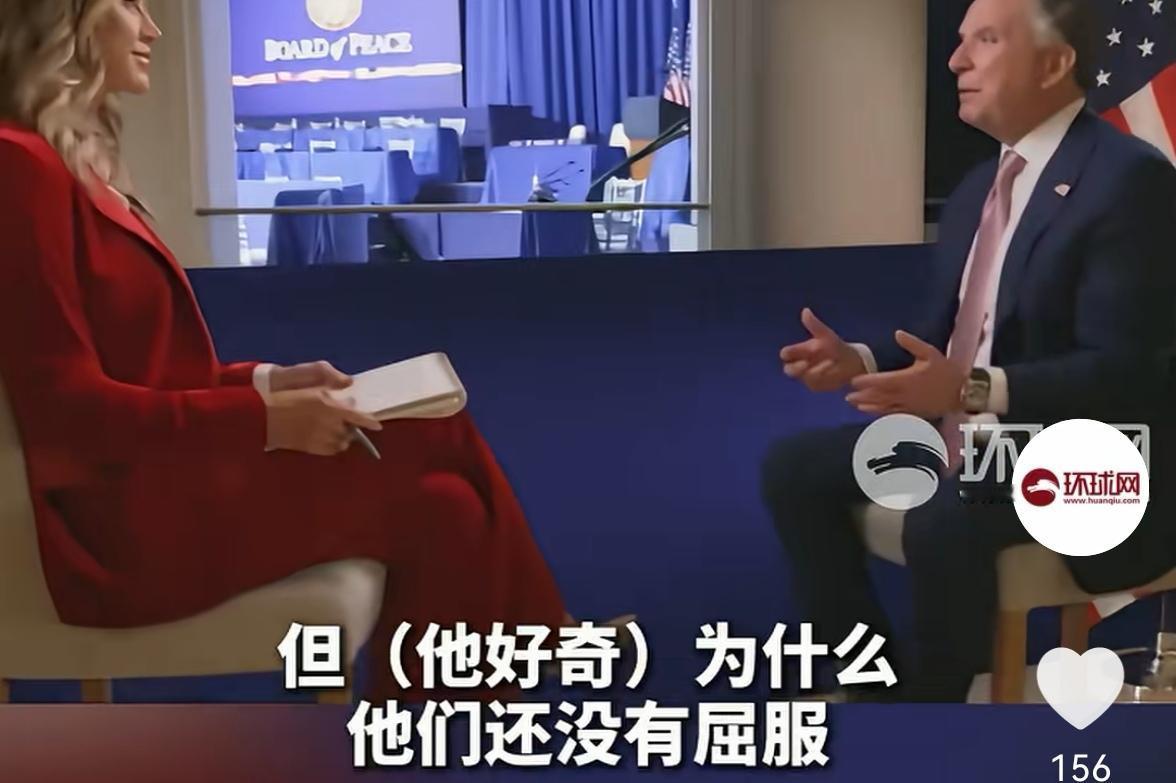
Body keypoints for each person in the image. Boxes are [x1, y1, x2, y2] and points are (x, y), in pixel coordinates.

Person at [0, 0, 593, 701]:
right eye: (130, 5)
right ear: (65, 19)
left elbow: (148, 372)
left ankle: (423, 722)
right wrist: (266, 422)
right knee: (433, 431)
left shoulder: (60, 160)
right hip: (114, 526)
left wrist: (268, 383)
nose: (152, 28)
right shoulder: (19, 167)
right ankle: (535, 638)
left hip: (153, 481)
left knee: (447, 507)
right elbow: (67, 412)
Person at [761, 0, 1176, 702]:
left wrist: (970, 390)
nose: (955, 61)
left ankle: (936, 714)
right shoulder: (981, 187)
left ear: (1054, 63)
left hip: (1089, 453)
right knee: (796, 469)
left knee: (948, 515)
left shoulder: (1129, 180)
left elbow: (1126, 374)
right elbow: (949, 342)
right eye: (959, 41)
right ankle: (871, 682)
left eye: (985, 40)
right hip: (976, 440)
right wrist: (860, 361)